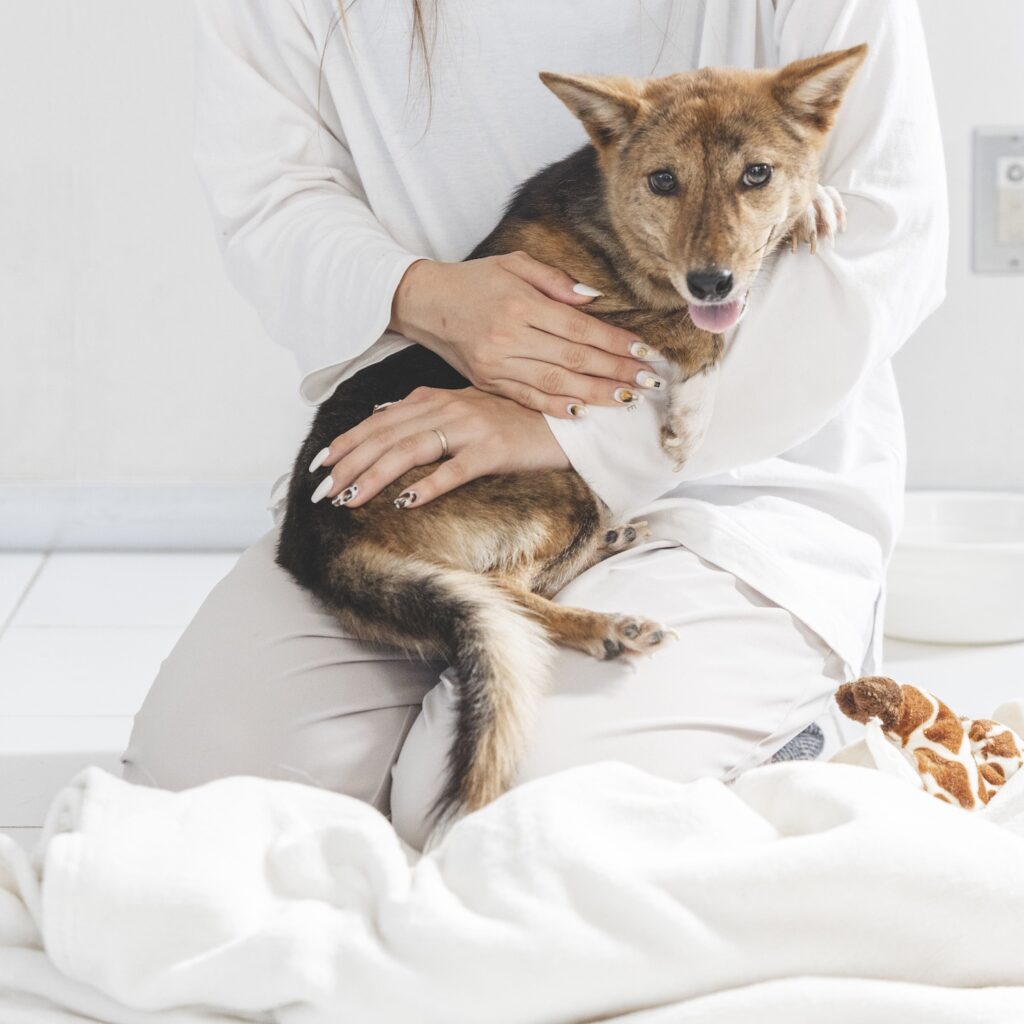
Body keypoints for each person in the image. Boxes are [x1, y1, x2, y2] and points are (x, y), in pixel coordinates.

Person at [121, 0, 947, 850]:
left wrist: (570, 435)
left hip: (736, 475)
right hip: (439, 447)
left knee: (518, 820)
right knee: (201, 801)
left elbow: (892, 230)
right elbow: (274, 193)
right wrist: (424, 295)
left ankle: (813, 734)